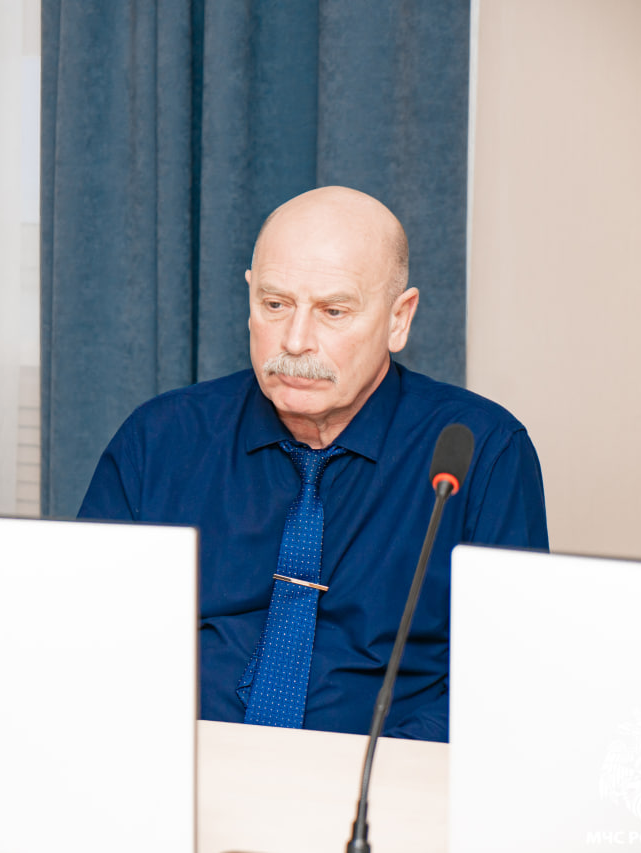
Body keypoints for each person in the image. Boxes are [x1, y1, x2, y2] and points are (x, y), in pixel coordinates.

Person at [77, 186, 548, 742]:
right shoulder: (161, 438)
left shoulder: (480, 450)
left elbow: (506, 681)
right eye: (275, 305)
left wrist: (372, 773)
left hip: (384, 776)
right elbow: (86, 638)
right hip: (177, 762)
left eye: (333, 311)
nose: (296, 341)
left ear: (399, 319)